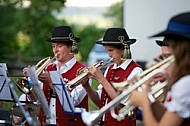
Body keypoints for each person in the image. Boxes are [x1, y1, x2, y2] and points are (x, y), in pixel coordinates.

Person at [129, 12, 190, 126]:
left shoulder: (185, 84)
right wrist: (149, 97)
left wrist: (144, 103)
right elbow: (167, 119)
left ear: (181, 49)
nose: (158, 58)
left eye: (167, 55)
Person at [23, 26, 89, 126]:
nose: (55, 50)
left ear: (70, 46)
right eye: (53, 46)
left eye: (59, 46)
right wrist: (31, 83)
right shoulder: (48, 68)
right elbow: (36, 99)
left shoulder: (82, 71)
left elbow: (73, 102)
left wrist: (50, 83)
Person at [83, 28, 143, 126]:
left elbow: (123, 104)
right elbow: (99, 102)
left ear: (124, 48)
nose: (109, 55)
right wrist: (86, 86)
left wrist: (101, 79)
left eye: (111, 50)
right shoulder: (109, 69)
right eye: (107, 51)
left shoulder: (136, 71)